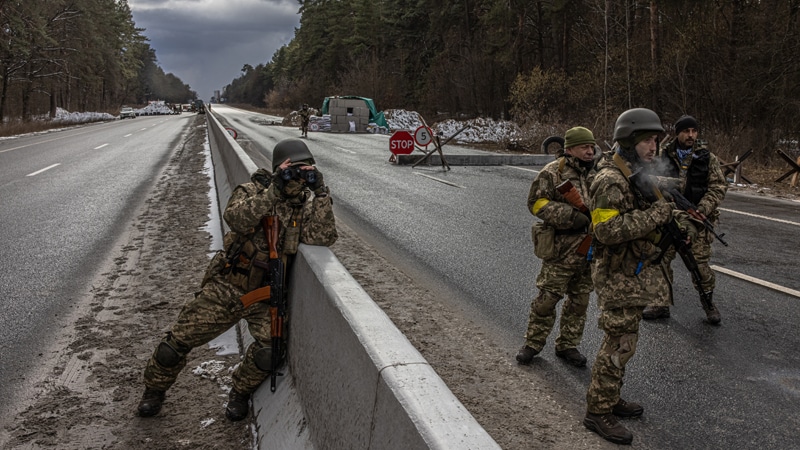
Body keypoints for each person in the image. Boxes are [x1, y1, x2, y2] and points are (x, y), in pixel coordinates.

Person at [136, 138, 337, 421]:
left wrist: (322, 194)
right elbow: (237, 218)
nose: (298, 175)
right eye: (293, 168)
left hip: (265, 295)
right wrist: (274, 191)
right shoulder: (253, 190)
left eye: (306, 169)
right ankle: (154, 391)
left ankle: (239, 391)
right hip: (228, 286)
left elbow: (323, 237)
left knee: (270, 353)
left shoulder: (303, 206)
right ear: (278, 167)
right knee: (176, 343)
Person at [583, 108, 677, 445]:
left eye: (656, 140)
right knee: (619, 343)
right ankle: (597, 412)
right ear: (629, 140)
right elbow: (606, 230)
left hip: (630, 274)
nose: (654, 147)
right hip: (616, 275)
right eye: (648, 140)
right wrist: (655, 215)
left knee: (626, 342)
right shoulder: (610, 179)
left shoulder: (633, 171)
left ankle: (609, 398)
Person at [516, 127, 597, 368]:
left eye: (592, 147)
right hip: (561, 249)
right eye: (585, 147)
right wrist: (570, 215)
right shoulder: (553, 173)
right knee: (547, 299)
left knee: (579, 301)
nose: (590, 151)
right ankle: (532, 343)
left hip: (588, 248)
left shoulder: (599, 173)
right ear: (570, 149)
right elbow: (536, 203)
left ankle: (568, 345)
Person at [643, 115, 726, 324]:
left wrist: (701, 210)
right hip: (668, 217)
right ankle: (660, 303)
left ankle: (708, 304)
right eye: (686, 131)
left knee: (698, 265)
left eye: (694, 131)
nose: (691, 135)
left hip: (697, 219)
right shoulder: (661, 155)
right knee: (658, 259)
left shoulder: (707, 158)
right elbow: (646, 182)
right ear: (678, 133)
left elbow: (718, 187)